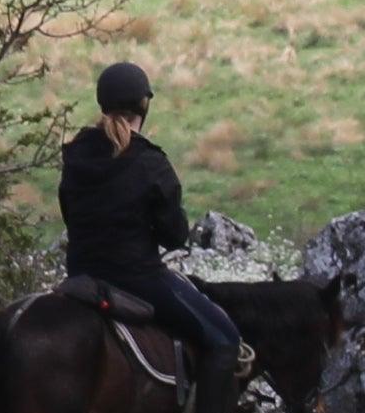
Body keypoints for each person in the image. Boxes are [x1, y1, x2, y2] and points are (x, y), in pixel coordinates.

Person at [55, 60, 242, 382]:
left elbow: (70, 215)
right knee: (225, 339)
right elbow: (174, 236)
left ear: (103, 104)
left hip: (81, 275)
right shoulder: (150, 162)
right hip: (137, 278)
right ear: (144, 105)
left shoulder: (75, 156)